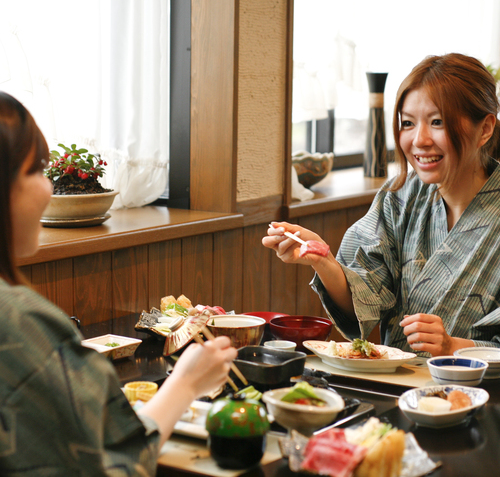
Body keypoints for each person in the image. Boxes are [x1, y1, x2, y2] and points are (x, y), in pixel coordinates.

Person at [0, 91, 238, 474]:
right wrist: (185, 385)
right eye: (35, 171)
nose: (48, 188)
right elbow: (111, 464)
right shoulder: (21, 322)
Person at [263, 53, 500, 358]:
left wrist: (453, 346)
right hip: (395, 387)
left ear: (485, 129)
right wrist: (323, 261)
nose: (419, 140)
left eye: (437, 122)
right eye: (407, 123)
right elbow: (363, 300)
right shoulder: (399, 196)